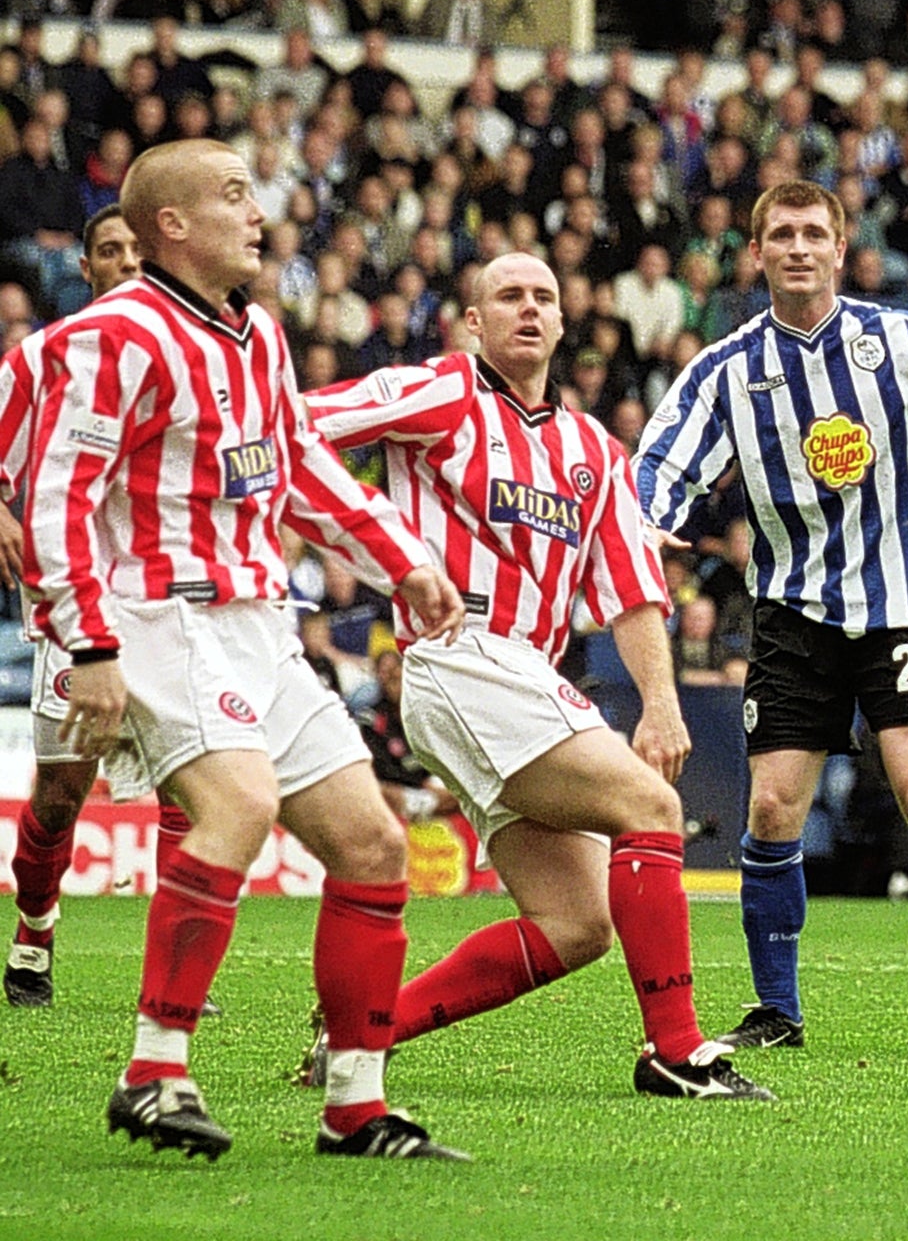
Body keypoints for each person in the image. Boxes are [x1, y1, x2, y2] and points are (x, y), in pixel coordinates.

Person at [21, 140, 468, 1160]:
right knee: (241, 806)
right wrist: (88, 640)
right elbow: (55, 494)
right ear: (170, 225)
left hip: (256, 622)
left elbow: (305, 470)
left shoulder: (259, 334)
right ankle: (153, 1071)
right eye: (231, 194)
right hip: (154, 613)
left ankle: (356, 1108)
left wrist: (405, 563)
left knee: (373, 843)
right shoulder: (119, 335)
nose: (256, 210)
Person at [297, 252, 769, 1101]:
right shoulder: (442, 393)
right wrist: (351, 532)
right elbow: (299, 423)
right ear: (472, 322)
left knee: (577, 924)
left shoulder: (594, 449)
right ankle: (676, 1050)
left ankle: (361, 1034)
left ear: (561, 324)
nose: (528, 308)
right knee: (654, 808)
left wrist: (661, 702)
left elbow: (632, 590)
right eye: (508, 296)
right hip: (460, 655)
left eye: (543, 297)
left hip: (518, 676)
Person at [637, 179, 908, 1055]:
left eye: (812, 234)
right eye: (780, 234)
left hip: (901, 607)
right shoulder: (728, 370)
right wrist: (643, 532)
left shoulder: (899, 340)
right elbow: (659, 475)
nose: (796, 247)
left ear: (839, 248)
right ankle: (776, 1010)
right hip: (792, 615)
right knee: (774, 810)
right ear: (756, 254)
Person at [3, 206, 167, 1010]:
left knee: (195, 787)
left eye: (140, 249)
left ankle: (173, 973)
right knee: (63, 792)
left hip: (175, 607)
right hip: (77, 607)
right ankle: (34, 929)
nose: (129, 262)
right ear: (90, 269)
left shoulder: (196, 358)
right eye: (111, 251)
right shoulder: (42, 359)